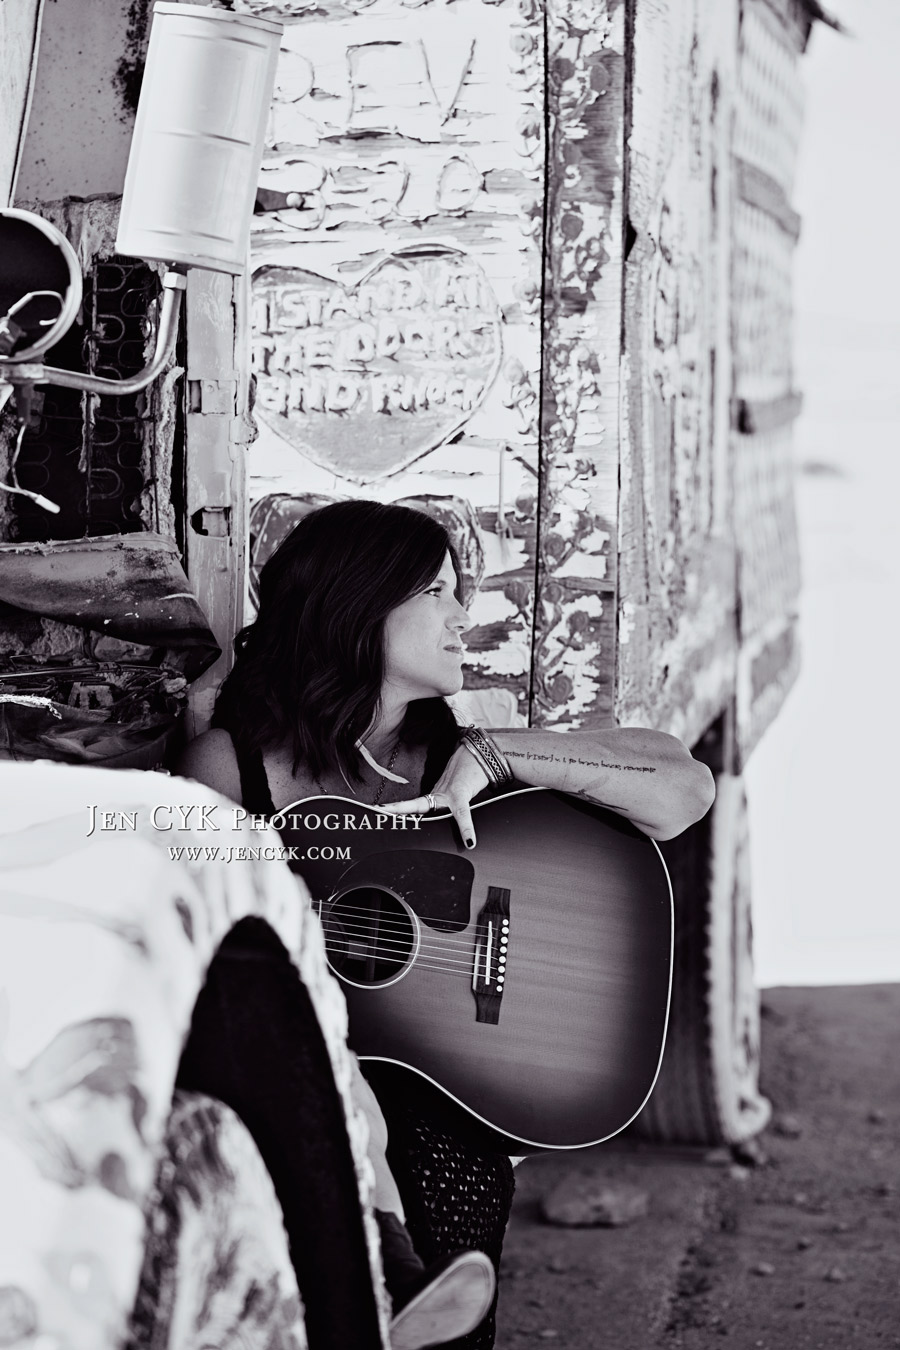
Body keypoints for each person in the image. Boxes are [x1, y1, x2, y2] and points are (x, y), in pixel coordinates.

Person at [177, 499, 716, 1349]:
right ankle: (391, 1276)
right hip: (317, 1076)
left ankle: (414, 1295)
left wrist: (503, 756)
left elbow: (684, 789)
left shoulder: (462, 749)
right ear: (359, 604)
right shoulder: (230, 765)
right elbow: (203, 946)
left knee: (452, 1184)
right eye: (438, 591)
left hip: (439, 1081)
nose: (464, 615)